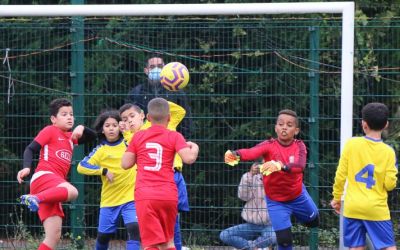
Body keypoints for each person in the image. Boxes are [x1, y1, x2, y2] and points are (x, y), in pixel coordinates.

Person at [224, 109, 319, 250]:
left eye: (289, 124)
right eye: (281, 124)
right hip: (276, 202)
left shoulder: (299, 145)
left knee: (314, 223)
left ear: (296, 130)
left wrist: (280, 166)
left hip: (298, 196)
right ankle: (286, 222)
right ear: (276, 128)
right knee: (284, 241)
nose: (284, 127)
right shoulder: (268, 145)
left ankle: (300, 215)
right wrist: (235, 154)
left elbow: (299, 166)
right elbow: (251, 152)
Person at [16, 98, 96, 250]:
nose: (69, 117)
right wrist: (26, 167)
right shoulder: (50, 130)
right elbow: (30, 149)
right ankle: (35, 198)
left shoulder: (72, 138)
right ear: (53, 119)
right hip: (44, 177)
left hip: (54, 188)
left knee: (53, 236)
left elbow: (94, 136)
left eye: (71, 114)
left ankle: (36, 199)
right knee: (72, 192)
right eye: (64, 114)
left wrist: (81, 128)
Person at [121, 97, 199, 250]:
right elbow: (189, 158)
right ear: (169, 118)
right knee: (168, 242)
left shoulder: (138, 136)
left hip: (146, 194)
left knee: (150, 244)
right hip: (168, 194)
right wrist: (195, 147)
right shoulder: (174, 135)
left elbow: (125, 164)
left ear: (148, 118)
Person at [330, 102, 398, 250]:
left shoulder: (352, 144)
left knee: (356, 247)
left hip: (353, 207)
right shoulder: (388, 152)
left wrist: (336, 197)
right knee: (388, 247)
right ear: (386, 124)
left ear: (363, 124)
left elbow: (340, 174)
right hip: (376, 209)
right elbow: (390, 185)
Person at [77, 110, 140, 250]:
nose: (111, 128)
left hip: (131, 198)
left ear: (120, 127)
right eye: (107, 125)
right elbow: (81, 167)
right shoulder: (101, 150)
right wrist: (103, 171)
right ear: (102, 130)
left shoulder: (128, 143)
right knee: (103, 237)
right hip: (109, 200)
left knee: (134, 230)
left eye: (114, 125)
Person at [126, 56, 193, 137]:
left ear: (165, 69)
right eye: (152, 67)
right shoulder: (136, 93)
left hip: (170, 140)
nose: (156, 69)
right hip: (144, 141)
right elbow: (128, 119)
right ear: (146, 70)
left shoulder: (176, 92)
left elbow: (186, 121)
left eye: (160, 66)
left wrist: (181, 140)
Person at [220, 162, 277, 250]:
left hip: (270, 225)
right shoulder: (250, 177)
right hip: (251, 224)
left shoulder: (278, 179)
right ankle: (255, 248)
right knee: (225, 235)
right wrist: (250, 175)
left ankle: (252, 246)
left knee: (273, 236)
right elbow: (243, 197)